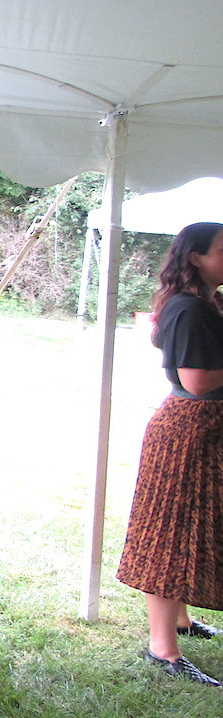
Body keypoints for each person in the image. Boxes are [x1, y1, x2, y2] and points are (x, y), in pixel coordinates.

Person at [116, 221, 223, 687]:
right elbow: (197, 379)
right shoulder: (190, 309)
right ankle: (163, 649)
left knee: (190, 525)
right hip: (188, 430)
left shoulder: (206, 304)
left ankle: (179, 621)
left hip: (200, 429)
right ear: (196, 257)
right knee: (170, 535)